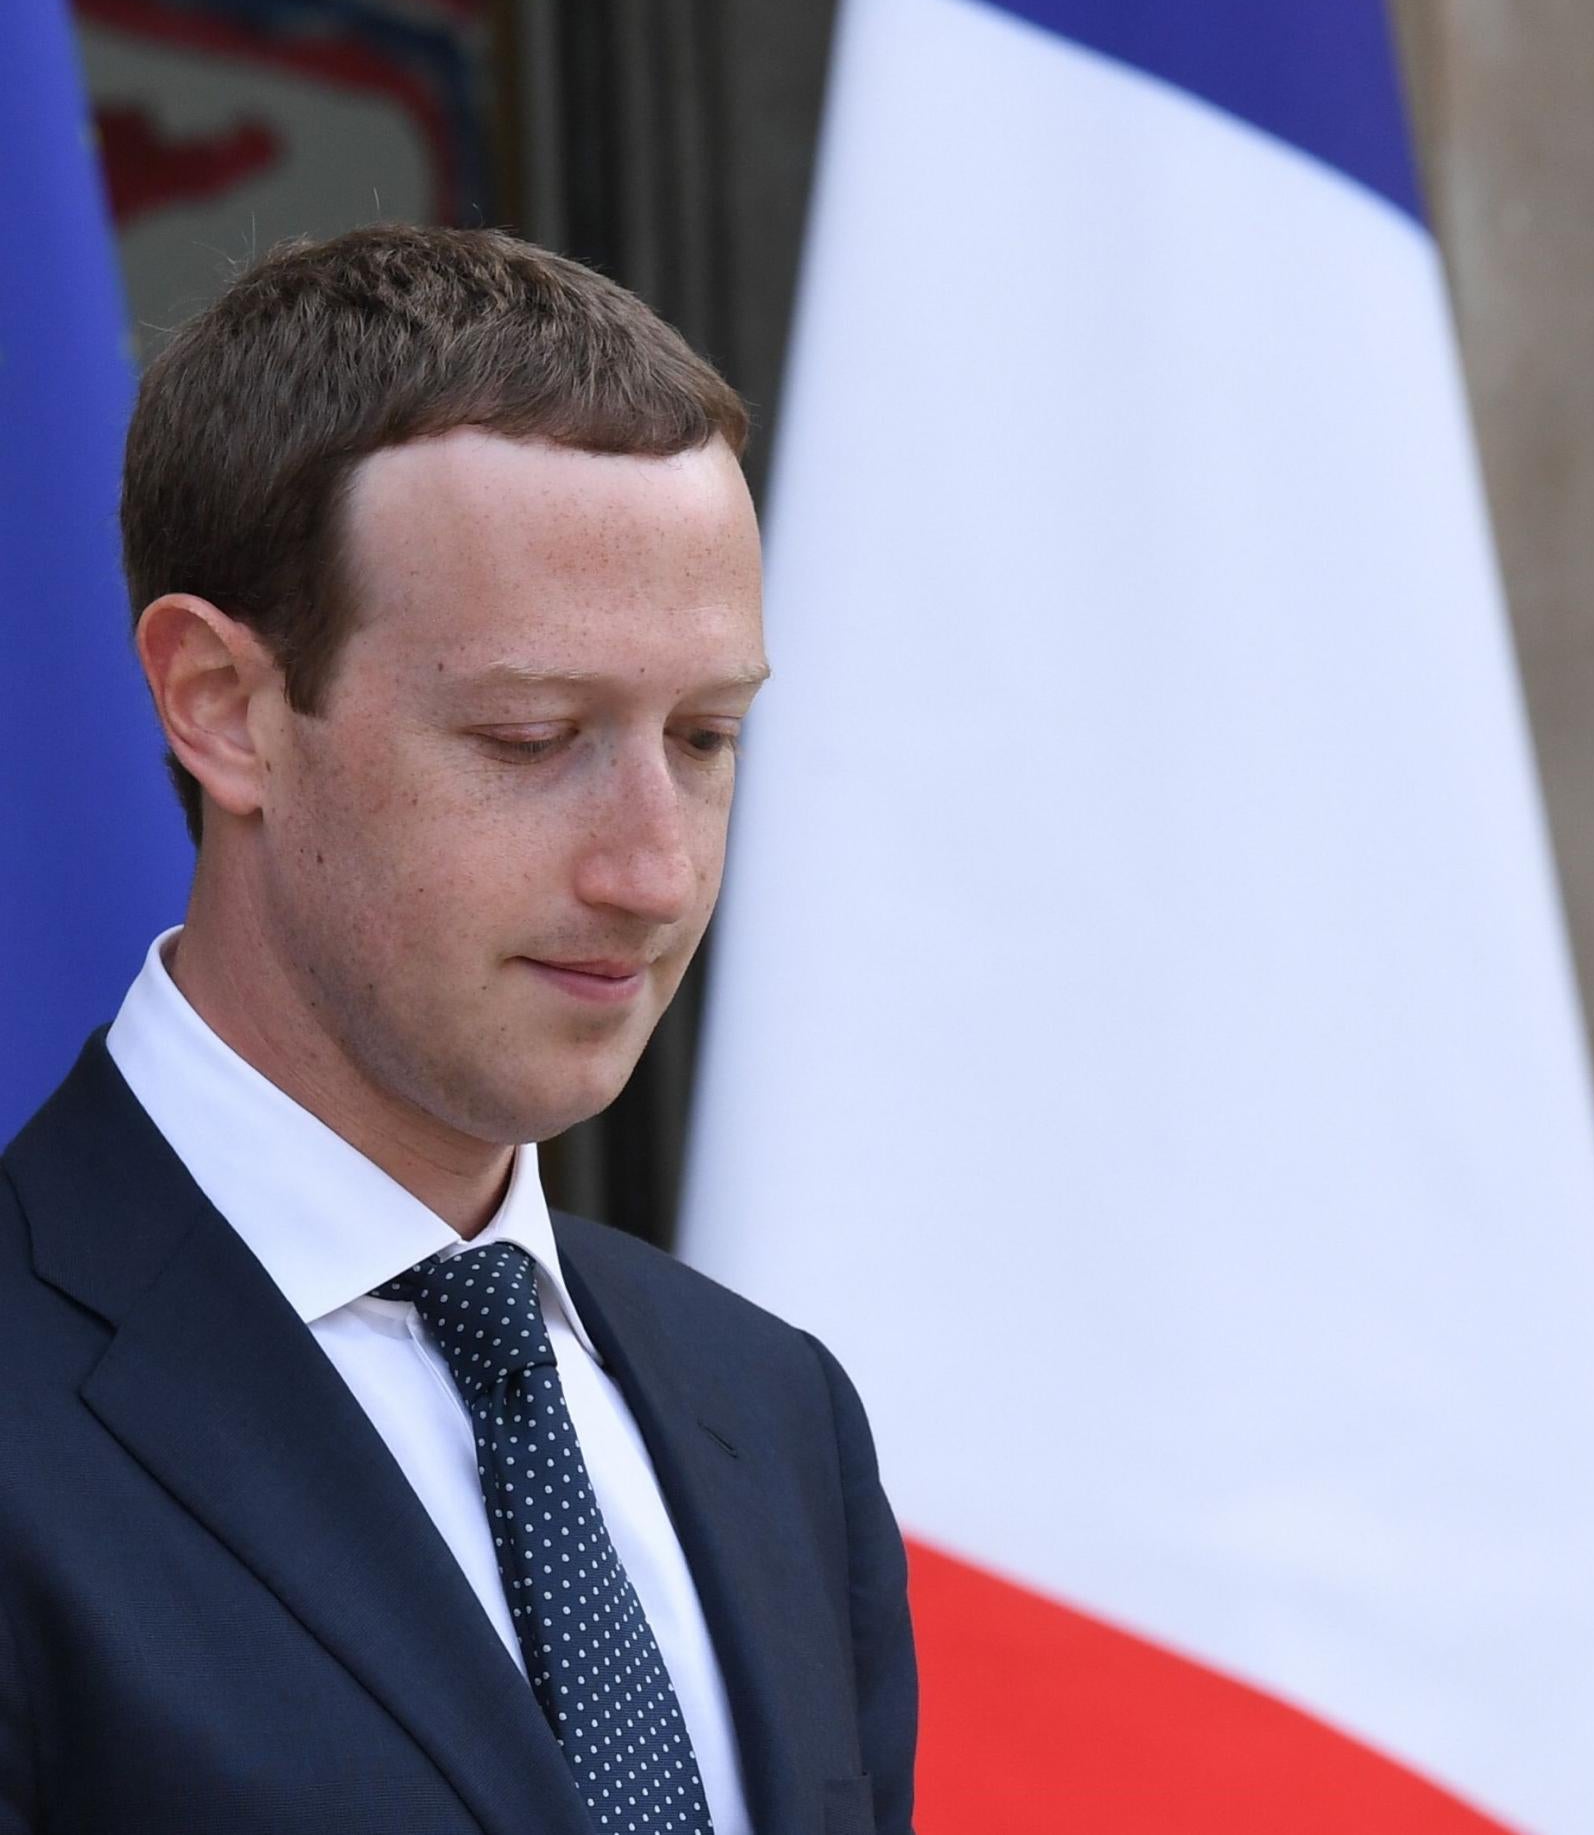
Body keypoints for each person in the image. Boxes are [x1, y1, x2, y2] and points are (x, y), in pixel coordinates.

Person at [0, 225, 915, 1835]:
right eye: (531, 736)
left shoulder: (773, 1419)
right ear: (220, 703)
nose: (654, 870)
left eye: (705, 738)